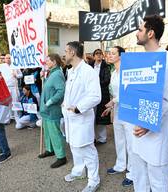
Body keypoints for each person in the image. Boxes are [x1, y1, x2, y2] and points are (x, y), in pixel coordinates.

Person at [132, 15, 168, 192]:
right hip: (136, 127)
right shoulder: (138, 59)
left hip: (154, 129)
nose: (137, 34)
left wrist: (148, 124)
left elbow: (167, 98)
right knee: (139, 175)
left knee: (157, 177)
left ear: (150, 33)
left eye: (140, 30)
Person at [62, 41, 101, 192]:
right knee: (74, 147)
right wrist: (65, 105)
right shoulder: (71, 71)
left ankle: (93, 180)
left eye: (66, 51)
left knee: (87, 149)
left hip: (81, 117)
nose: (64, 54)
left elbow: (95, 96)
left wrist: (78, 108)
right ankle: (79, 172)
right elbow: (70, 94)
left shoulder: (87, 71)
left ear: (72, 52)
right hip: (70, 119)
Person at [101, 46, 134, 187]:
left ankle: (133, 172)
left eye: (113, 53)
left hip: (130, 110)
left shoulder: (128, 71)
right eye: (109, 53)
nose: (109, 55)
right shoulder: (114, 72)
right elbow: (115, 94)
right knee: (119, 139)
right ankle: (120, 164)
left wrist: (112, 102)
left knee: (131, 142)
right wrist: (111, 107)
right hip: (118, 110)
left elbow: (129, 91)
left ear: (121, 56)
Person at [38, 53, 67, 168]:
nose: (46, 62)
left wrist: (50, 101)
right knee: (48, 132)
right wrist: (43, 79)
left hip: (52, 109)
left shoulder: (57, 74)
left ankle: (61, 156)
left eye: (48, 60)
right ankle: (50, 149)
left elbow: (61, 91)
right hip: (46, 109)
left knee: (55, 133)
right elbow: (49, 87)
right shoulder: (51, 73)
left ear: (54, 62)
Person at [88, 49, 111, 144]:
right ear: (93, 56)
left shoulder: (106, 66)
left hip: (102, 94)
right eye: (96, 54)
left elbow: (106, 80)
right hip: (91, 94)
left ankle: (102, 138)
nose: (98, 55)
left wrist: (96, 83)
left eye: (100, 54)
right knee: (91, 116)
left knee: (101, 117)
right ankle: (92, 138)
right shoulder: (89, 66)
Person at [0, 54, 22, 122]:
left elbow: (21, 75)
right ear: (4, 59)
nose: (8, 59)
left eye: (9, 58)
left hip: (14, 87)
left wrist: (16, 75)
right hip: (5, 87)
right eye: (6, 58)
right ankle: (7, 119)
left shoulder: (15, 65)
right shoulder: (1, 66)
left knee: (15, 101)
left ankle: (17, 117)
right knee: (7, 103)